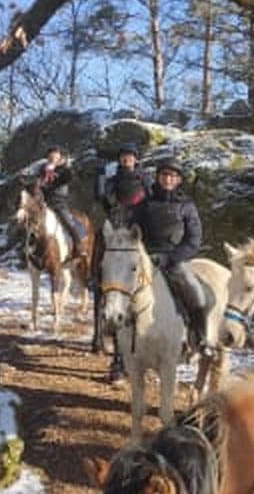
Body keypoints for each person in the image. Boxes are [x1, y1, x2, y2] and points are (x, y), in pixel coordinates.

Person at [133, 156, 209, 354]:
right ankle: (118, 353)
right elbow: (132, 231)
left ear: (179, 180)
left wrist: (171, 258)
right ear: (158, 177)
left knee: (197, 295)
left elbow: (194, 240)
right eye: (165, 175)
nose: (168, 179)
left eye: (173, 176)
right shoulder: (144, 203)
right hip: (145, 259)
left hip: (173, 260)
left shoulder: (187, 206)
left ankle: (199, 339)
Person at [93, 142, 152, 383]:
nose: (127, 159)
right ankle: (94, 277)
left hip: (138, 230)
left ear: (136, 159)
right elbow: (102, 199)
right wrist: (98, 178)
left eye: (130, 156)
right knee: (98, 245)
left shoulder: (145, 178)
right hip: (116, 229)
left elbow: (151, 201)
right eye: (123, 156)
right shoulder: (111, 179)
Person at [37, 145, 89, 257]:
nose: (52, 159)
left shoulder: (64, 170)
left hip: (58, 202)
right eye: (50, 157)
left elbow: (68, 178)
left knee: (67, 221)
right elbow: (37, 182)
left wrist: (64, 168)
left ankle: (78, 245)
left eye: (55, 157)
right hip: (43, 203)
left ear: (60, 158)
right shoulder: (43, 169)